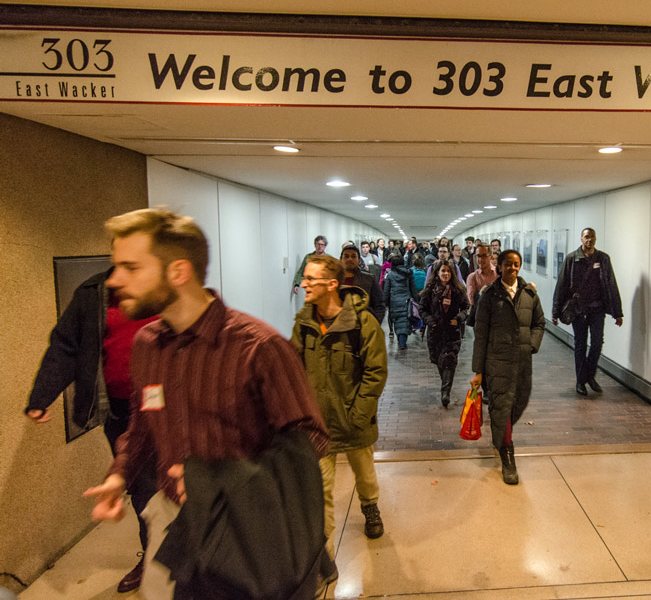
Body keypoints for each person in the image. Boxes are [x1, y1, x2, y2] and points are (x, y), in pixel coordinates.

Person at [84, 208, 330, 598]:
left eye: (130, 267)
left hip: (245, 525)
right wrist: (119, 475)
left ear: (178, 271)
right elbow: (142, 425)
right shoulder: (147, 345)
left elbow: (311, 438)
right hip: (173, 521)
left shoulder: (259, 347)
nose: (114, 280)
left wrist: (222, 479)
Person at [25, 268, 158, 593]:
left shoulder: (164, 286)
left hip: (169, 406)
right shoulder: (94, 291)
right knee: (142, 488)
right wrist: (42, 395)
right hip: (119, 410)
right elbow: (66, 345)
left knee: (178, 484)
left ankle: (191, 562)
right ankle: (154, 558)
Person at [292, 254, 389, 574]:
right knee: (320, 494)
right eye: (305, 278)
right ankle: (325, 560)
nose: (304, 284)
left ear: (332, 284)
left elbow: (376, 372)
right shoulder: (304, 323)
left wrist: (357, 416)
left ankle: (370, 507)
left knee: (365, 475)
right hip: (318, 425)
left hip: (353, 421)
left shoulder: (363, 323)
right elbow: (293, 370)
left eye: (311, 279)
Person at [470, 249, 545, 485]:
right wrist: (478, 371)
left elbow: (539, 323)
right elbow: (480, 334)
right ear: (499, 266)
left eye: (516, 264)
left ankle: (501, 433)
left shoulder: (529, 294)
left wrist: (531, 344)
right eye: (508, 264)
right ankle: (508, 455)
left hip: (522, 362)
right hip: (496, 362)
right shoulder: (489, 296)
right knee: (502, 407)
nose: (513, 268)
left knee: (518, 402)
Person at [552, 228, 623, 396]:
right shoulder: (572, 259)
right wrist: (555, 312)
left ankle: (589, 376)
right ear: (581, 239)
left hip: (597, 308)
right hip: (578, 309)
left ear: (595, 239)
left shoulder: (603, 259)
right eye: (586, 237)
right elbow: (562, 285)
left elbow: (611, 285)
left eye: (592, 237)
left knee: (597, 342)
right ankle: (580, 381)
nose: (589, 240)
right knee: (581, 344)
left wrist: (617, 312)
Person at [419, 260, 470, 407]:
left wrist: (459, 318)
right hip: (435, 332)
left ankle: (445, 392)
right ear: (437, 273)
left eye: (448, 271)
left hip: (452, 331)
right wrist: (430, 321)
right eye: (443, 271)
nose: (446, 274)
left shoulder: (458, 290)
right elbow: (422, 309)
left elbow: (466, 307)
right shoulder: (429, 290)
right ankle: (445, 385)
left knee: (449, 359)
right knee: (439, 361)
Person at [383, 250, 419, 350]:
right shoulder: (408, 274)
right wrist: (416, 300)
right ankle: (402, 342)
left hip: (394, 302)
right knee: (404, 321)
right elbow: (413, 288)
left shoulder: (390, 275)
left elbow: (386, 291)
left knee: (397, 321)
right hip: (406, 301)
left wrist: (385, 303)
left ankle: (400, 340)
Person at [341, 244, 386, 323]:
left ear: (359, 261)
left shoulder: (369, 279)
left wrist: (374, 323)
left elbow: (379, 304)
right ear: (341, 260)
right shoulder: (334, 280)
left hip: (363, 324)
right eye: (346, 256)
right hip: (340, 324)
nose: (350, 259)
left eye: (353, 256)